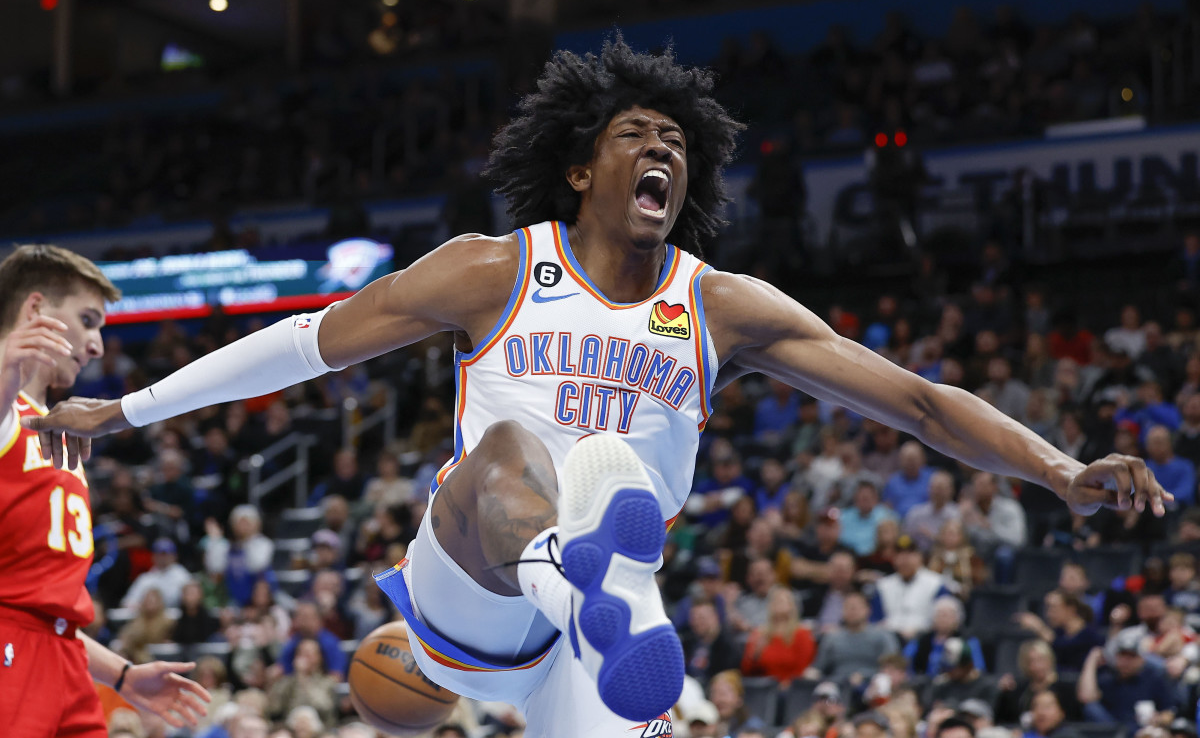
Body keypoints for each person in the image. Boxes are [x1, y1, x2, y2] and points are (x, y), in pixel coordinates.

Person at [24, 39, 1174, 735]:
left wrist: (1059, 466)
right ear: (582, 168)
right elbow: (307, 342)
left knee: (611, 472)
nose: (663, 147)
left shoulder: (721, 304)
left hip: (604, 629)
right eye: (637, 133)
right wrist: (126, 409)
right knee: (512, 455)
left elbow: (915, 399)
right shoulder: (495, 269)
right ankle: (581, 579)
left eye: (677, 140)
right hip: (475, 588)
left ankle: (601, 591)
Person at [0, 244, 210, 736]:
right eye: (88, 320)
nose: (96, 345)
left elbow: (44, 609)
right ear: (36, 310)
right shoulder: (7, 411)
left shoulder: (56, 429)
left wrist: (121, 674)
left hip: (63, 654)